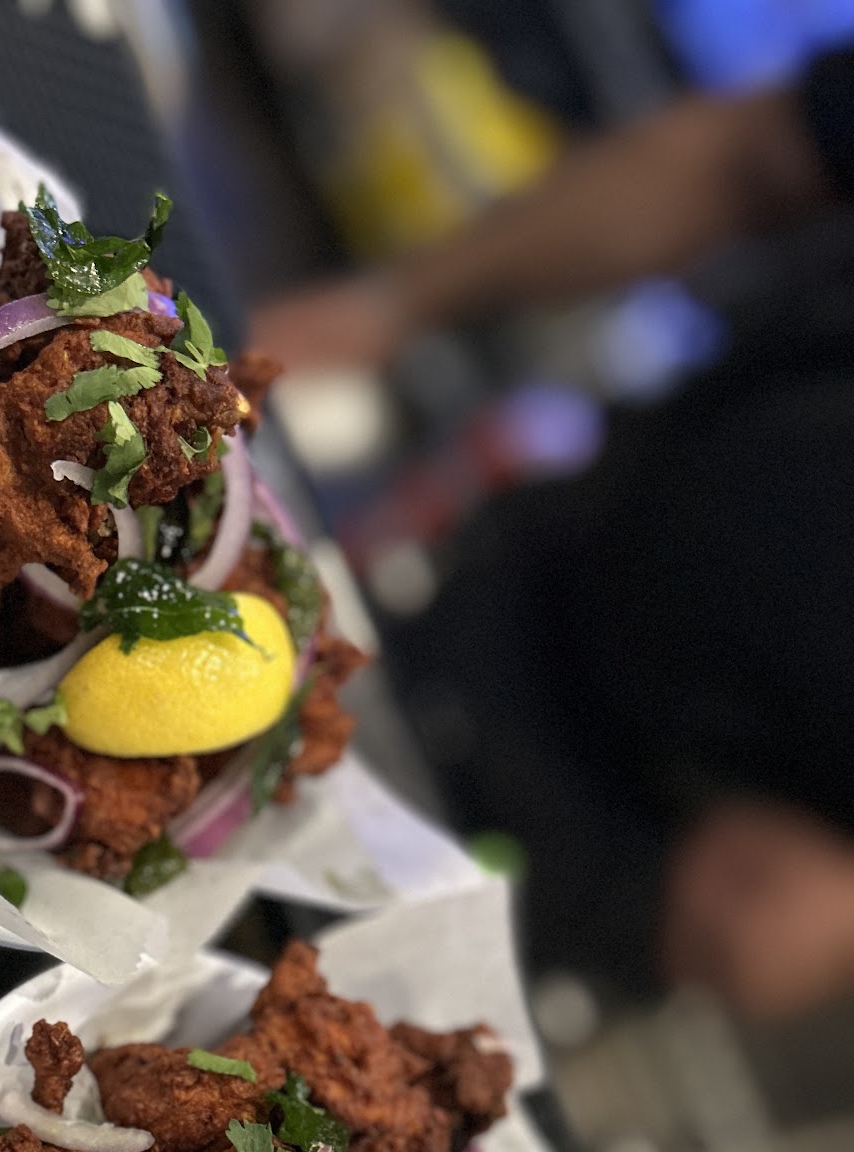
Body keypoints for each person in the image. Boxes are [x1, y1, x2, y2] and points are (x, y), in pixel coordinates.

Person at [251, 45, 854, 1019]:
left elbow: (792, 935)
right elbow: (747, 160)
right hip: (506, 582)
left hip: (639, 862)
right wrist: (385, 308)